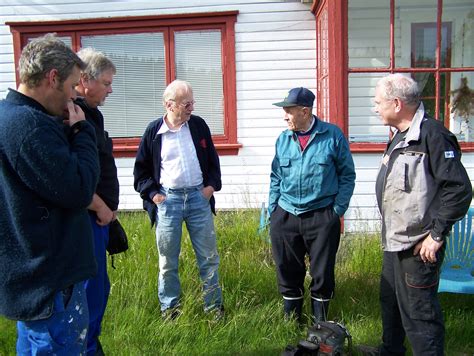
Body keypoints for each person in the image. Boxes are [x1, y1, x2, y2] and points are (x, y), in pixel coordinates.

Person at [0, 34, 100, 354]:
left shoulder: (6, 117)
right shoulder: (32, 128)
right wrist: (83, 132)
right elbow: (80, 188)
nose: (73, 97)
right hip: (50, 282)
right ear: (52, 77)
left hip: (27, 275)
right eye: (72, 86)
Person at [374, 74, 472, 355]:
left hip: (418, 247)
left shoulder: (433, 135)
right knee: (390, 303)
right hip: (395, 242)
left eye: (379, 102)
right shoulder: (401, 136)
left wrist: (436, 235)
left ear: (396, 103)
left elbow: (459, 190)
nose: (376, 107)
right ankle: (390, 351)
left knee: (420, 315)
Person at [134, 79, 223, 319]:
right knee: (167, 262)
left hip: (198, 199)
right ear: (169, 105)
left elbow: (213, 162)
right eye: (186, 104)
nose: (191, 108)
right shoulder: (154, 132)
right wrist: (155, 196)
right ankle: (170, 309)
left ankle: (214, 308)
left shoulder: (198, 126)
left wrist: (209, 189)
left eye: (192, 102)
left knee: (208, 258)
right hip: (168, 202)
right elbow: (140, 172)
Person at [268, 87, 356, 323]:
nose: (285, 116)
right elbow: (275, 176)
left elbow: (347, 176)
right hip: (286, 215)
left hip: (322, 216)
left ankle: (321, 324)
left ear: (304, 111)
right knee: (287, 270)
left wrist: (336, 212)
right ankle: (292, 323)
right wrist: (273, 210)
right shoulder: (283, 139)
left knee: (322, 273)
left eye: (289, 111)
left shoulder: (333, 136)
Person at [75, 48, 119, 356]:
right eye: (106, 82)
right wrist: (101, 207)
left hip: (100, 221)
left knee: (99, 291)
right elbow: (71, 176)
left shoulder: (92, 114)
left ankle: (92, 346)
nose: (111, 89)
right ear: (84, 80)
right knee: (88, 294)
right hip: (87, 220)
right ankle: (85, 348)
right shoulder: (71, 115)